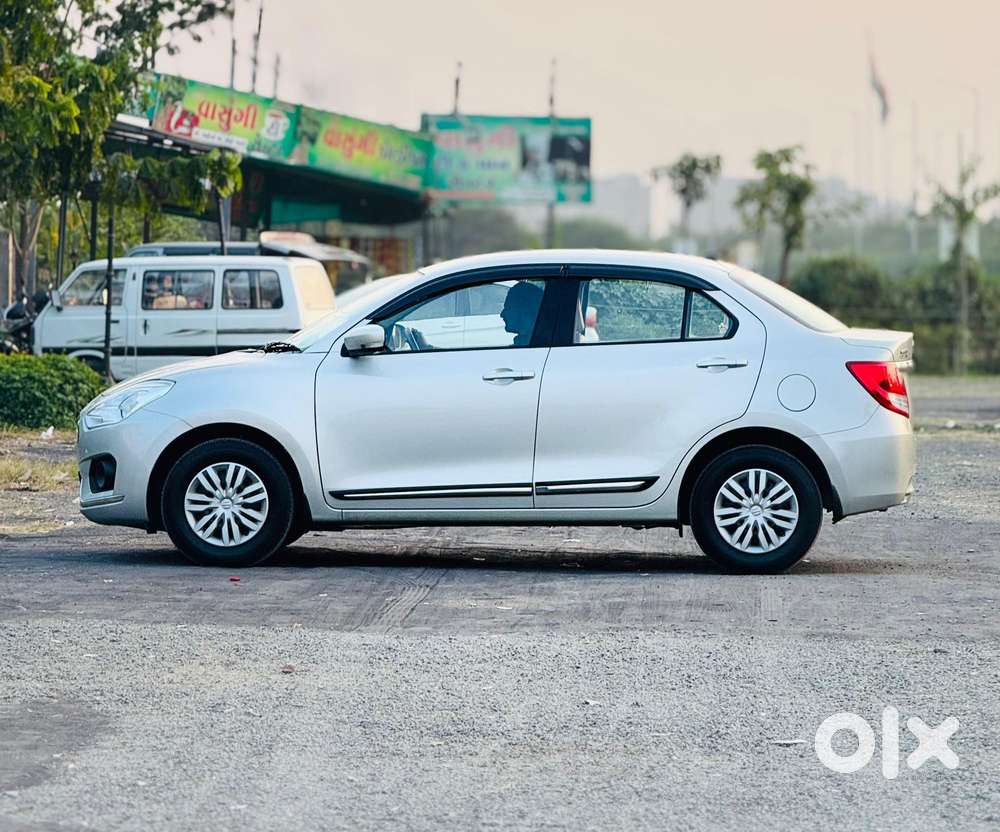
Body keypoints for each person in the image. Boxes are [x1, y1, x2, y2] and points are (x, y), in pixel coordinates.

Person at [500, 281, 544, 346]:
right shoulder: (539, 343)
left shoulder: (537, 347)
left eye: (508, 308)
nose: (502, 314)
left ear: (524, 312)